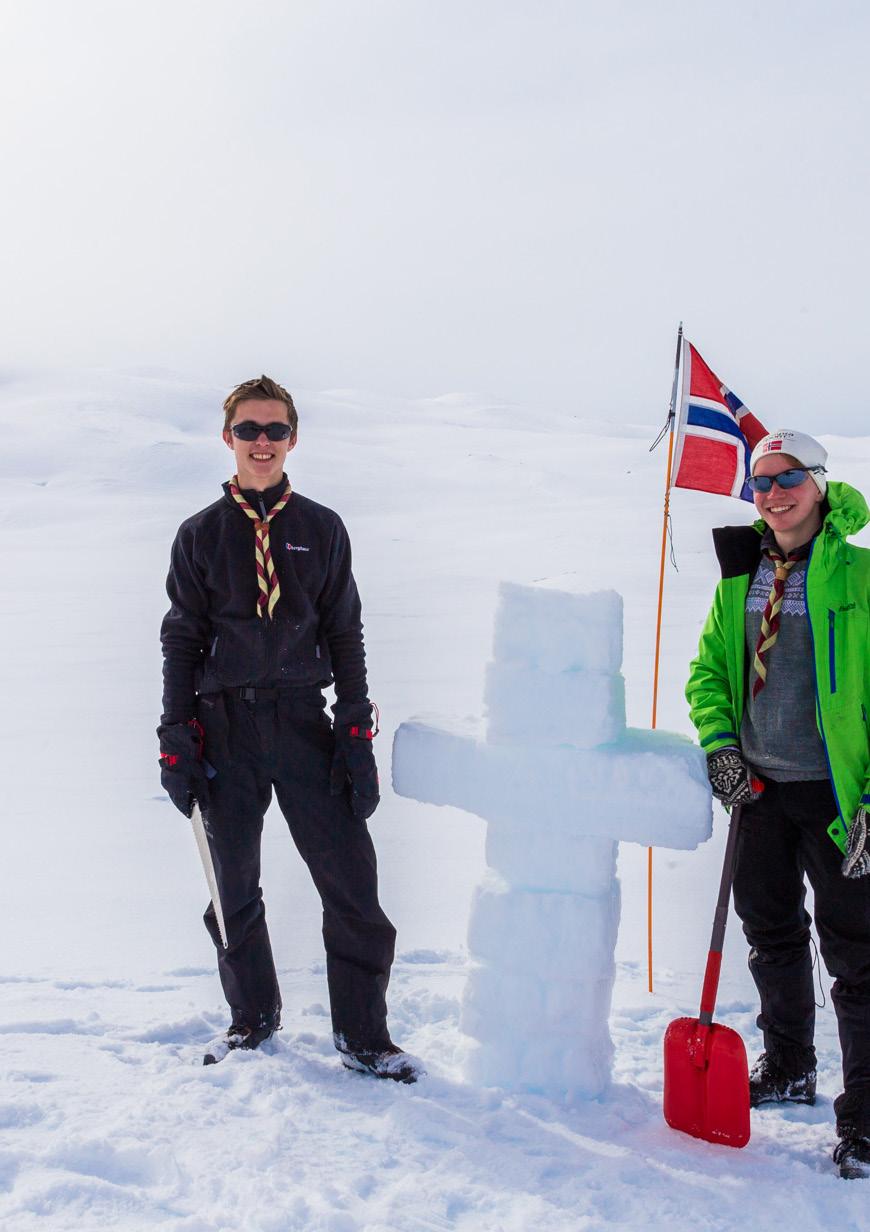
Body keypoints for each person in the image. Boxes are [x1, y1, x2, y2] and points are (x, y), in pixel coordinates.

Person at [158, 374, 423, 1082]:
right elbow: (182, 638)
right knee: (232, 886)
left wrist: (355, 730)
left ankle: (365, 1036)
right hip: (224, 728)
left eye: (275, 430)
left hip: (305, 722)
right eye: (249, 430)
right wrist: (175, 735)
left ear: (293, 438)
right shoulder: (200, 535)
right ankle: (252, 1019)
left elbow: (346, 632)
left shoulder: (320, 528)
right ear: (228, 439)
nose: (263, 442)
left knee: (352, 883)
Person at [686, 429, 870, 1179]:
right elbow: (708, 674)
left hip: (838, 800)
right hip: (759, 794)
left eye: (788, 477)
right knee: (771, 934)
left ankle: (863, 1120)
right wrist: (722, 747)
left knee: (858, 958)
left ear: (820, 483)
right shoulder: (740, 575)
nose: (773, 494)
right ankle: (790, 1064)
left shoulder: (857, 575)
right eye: (761, 483)